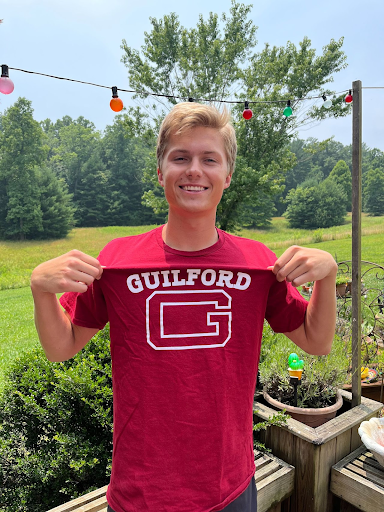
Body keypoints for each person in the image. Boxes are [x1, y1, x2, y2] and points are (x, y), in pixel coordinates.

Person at [30, 102, 337, 512]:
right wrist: (40, 289)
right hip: (140, 491)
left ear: (227, 175)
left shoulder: (257, 264)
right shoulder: (117, 261)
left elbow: (316, 342)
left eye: (209, 158)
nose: (194, 169)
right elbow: (60, 347)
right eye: (180, 157)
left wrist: (328, 278)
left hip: (228, 487)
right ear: (161, 173)